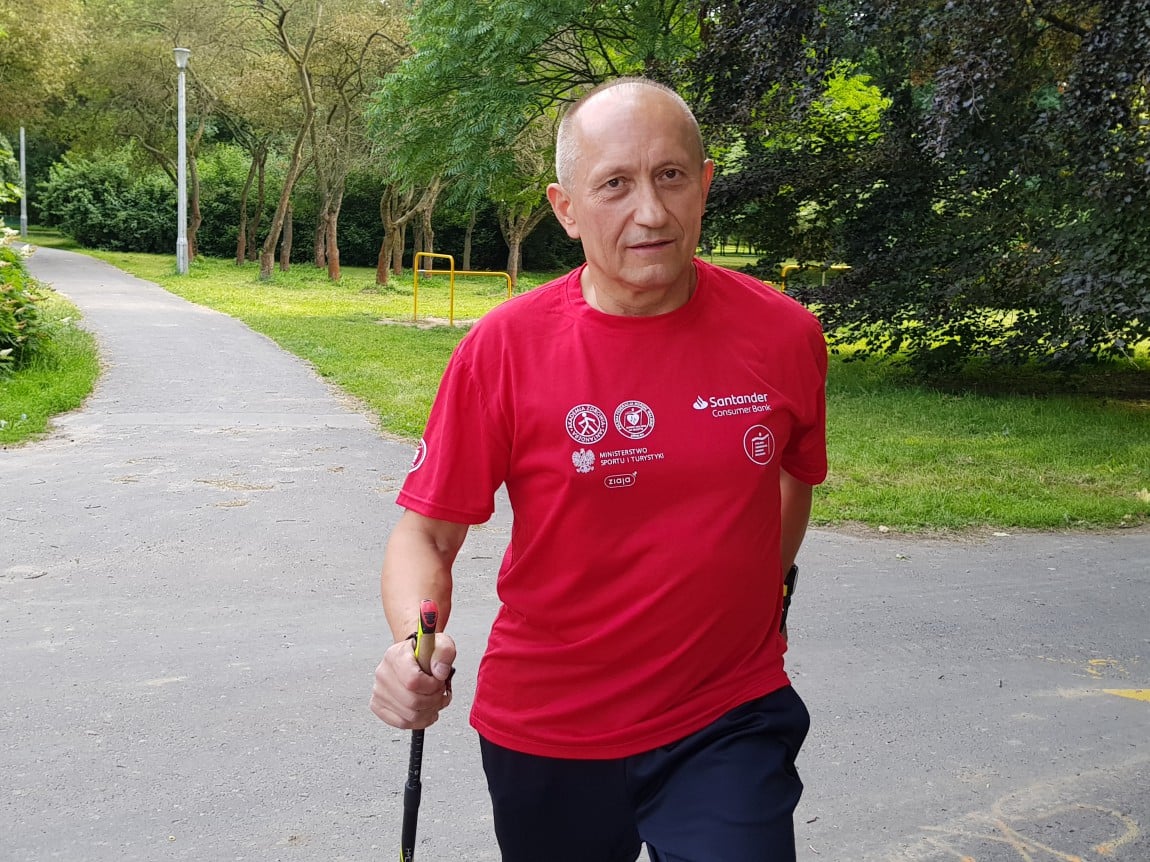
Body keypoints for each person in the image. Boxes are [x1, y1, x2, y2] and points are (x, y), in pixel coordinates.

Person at [371, 77, 828, 862]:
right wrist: (416, 647)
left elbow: (792, 476)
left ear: (704, 184)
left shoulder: (784, 335)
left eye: (670, 176)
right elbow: (428, 535)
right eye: (614, 184)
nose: (650, 212)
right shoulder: (504, 350)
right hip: (548, 727)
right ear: (567, 208)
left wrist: (759, 599)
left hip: (727, 712)